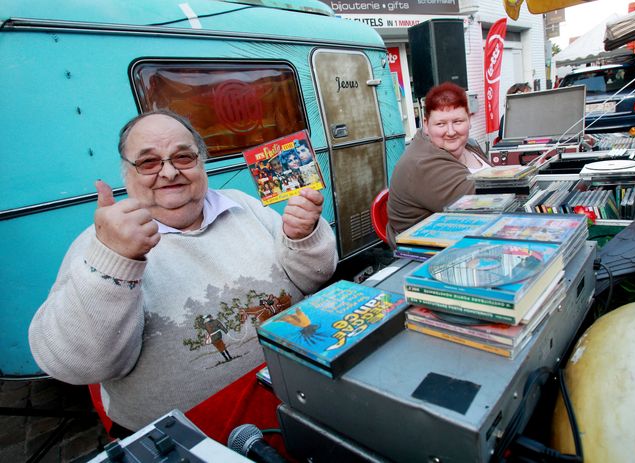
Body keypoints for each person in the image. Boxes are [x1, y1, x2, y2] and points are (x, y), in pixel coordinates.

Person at [28, 110, 338, 432]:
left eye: (183, 157)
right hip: (190, 435)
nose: (169, 172)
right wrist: (115, 259)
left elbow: (315, 276)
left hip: (302, 386)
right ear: (127, 174)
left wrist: (302, 237)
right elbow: (77, 366)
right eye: (149, 163)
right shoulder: (102, 243)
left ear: (201, 163)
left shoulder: (242, 205)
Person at [386, 82, 489, 246]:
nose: (450, 131)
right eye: (441, 124)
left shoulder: (469, 144)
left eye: (458, 121)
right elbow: (487, 203)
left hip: (466, 241)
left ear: (469, 120)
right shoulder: (422, 164)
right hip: (427, 255)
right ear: (426, 125)